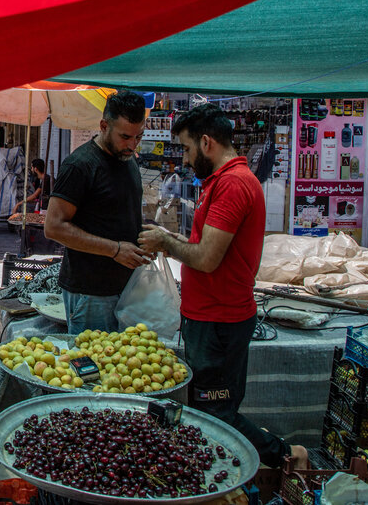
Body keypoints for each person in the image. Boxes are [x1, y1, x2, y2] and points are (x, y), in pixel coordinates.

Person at [137, 103, 306, 470]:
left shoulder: (232, 184)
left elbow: (207, 258)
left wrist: (166, 241)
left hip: (220, 322)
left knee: (216, 413)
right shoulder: (224, 180)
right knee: (210, 407)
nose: (184, 157)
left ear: (207, 143)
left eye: (186, 148)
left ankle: (286, 457)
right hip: (211, 317)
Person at [44, 92, 149, 333]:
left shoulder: (128, 160)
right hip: (90, 294)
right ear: (104, 126)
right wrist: (115, 249)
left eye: (138, 137)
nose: (132, 145)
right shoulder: (79, 165)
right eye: (125, 137)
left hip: (126, 290)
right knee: (92, 368)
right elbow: (54, 227)